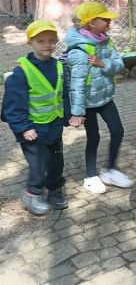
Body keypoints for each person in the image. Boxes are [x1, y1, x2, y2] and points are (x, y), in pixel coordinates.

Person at [1, 21, 72, 215]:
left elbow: (63, 94)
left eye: (52, 40)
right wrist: (24, 127)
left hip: (54, 126)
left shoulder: (58, 66)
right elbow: (12, 104)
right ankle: (32, 194)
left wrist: (69, 116)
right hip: (32, 130)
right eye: (41, 41)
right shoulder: (22, 71)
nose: (48, 45)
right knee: (38, 165)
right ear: (30, 43)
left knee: (56, 162)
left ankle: (55, 189)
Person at [66, 2, 133, 195]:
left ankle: (110, 170)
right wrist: (77, 112)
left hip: (105, 97)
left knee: (118, 130)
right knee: (93, 136)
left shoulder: (106, 41)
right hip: (87, 104)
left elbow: (119, 65)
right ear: (91, 23)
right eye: (105, 19)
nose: (109, 22)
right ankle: (90, 176)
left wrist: (103, 63)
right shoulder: (79, 51)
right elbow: (77, 84)